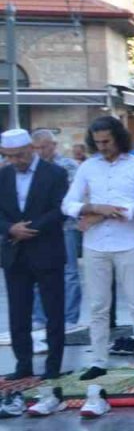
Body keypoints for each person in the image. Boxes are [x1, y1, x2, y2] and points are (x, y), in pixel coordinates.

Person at [62, 116, 134, 381]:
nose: (102, 146)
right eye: (97, 142)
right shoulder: (88, 167)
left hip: (129, 244)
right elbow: (68, 204)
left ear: (118, 137)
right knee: (98, 306)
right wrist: (92, 208)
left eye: (107, 141)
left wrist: (105, 213)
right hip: (95, 245)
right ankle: (99, 361)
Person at [0, 129, 70, 381]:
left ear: (31, 148)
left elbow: (61, 209)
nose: (15, 161)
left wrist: (30, 229)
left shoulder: (55, 173)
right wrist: (10, 229)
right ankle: (23, 366)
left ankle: (53, 368)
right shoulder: (3, 175)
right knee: (18, 313)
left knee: (53, 312)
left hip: (46, 251)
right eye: (8, 157)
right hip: (14, 253)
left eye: (19, 155)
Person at [30, 130, 80, 331]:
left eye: (43, 147)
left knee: (69, 272)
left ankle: (69, 317)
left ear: (53, 145)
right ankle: (39, 317)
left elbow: (70, 196)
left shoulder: (67, 166)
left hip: (65, 226)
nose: (40, 151)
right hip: (39, 226)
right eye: (36, 148)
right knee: (36, 271)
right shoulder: (31, 167)